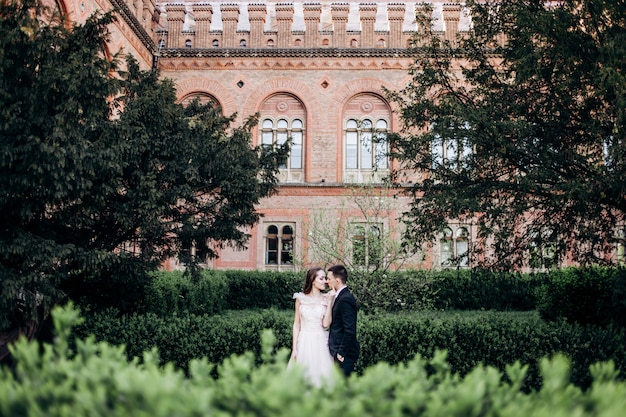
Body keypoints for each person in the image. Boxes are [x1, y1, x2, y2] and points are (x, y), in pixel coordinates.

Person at [288, 267, 335, 387]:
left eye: (325, 278)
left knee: (321, 377)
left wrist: (330, 302)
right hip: (304, 341)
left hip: (320, 342)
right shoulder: (300, 298)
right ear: (312, 280)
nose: (325, 281)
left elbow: (326, 324)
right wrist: (294, 349)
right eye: (321, 278)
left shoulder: (326, 298)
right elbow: (296, 324)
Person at [327, 264, 360, 376]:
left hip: (344, 354)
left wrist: (341, 352)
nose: (327, 282)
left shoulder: (346, 299)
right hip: (337, 351)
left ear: (337, 281)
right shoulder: (339, 296)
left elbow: (350, 329)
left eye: (329, 279)